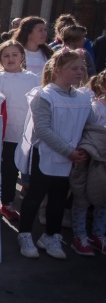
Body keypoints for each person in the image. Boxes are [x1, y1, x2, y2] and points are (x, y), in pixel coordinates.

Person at [15, 50, 97, 259]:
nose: (79, 72)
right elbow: (43, 129)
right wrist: (68, 151)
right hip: (46, 154)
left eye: (82, 68)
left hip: (72, 157)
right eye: (74, 68)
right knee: (35, 195)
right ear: (58, 70)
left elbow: (90, 126)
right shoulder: (44, 95)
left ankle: (51, 235)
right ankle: (24, 234)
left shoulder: (83, 98)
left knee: (60, 198)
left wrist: (85, 149)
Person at [0, 40, 40, 221]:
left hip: (27, 132)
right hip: (5, 132)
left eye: (14, 55)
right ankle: (6, 202)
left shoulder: (34, 78)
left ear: (22, 56)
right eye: (6, 55)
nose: (10, 59)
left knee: (28, 170)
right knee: (8, 170)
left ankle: (29, 203)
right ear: (0, 58)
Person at [69, 117, 106, 255]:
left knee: (103, 199)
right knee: (81, 198)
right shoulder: (94, 109)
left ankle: (99, 234)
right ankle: (79, 236)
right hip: (89, 158)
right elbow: (85, 131)